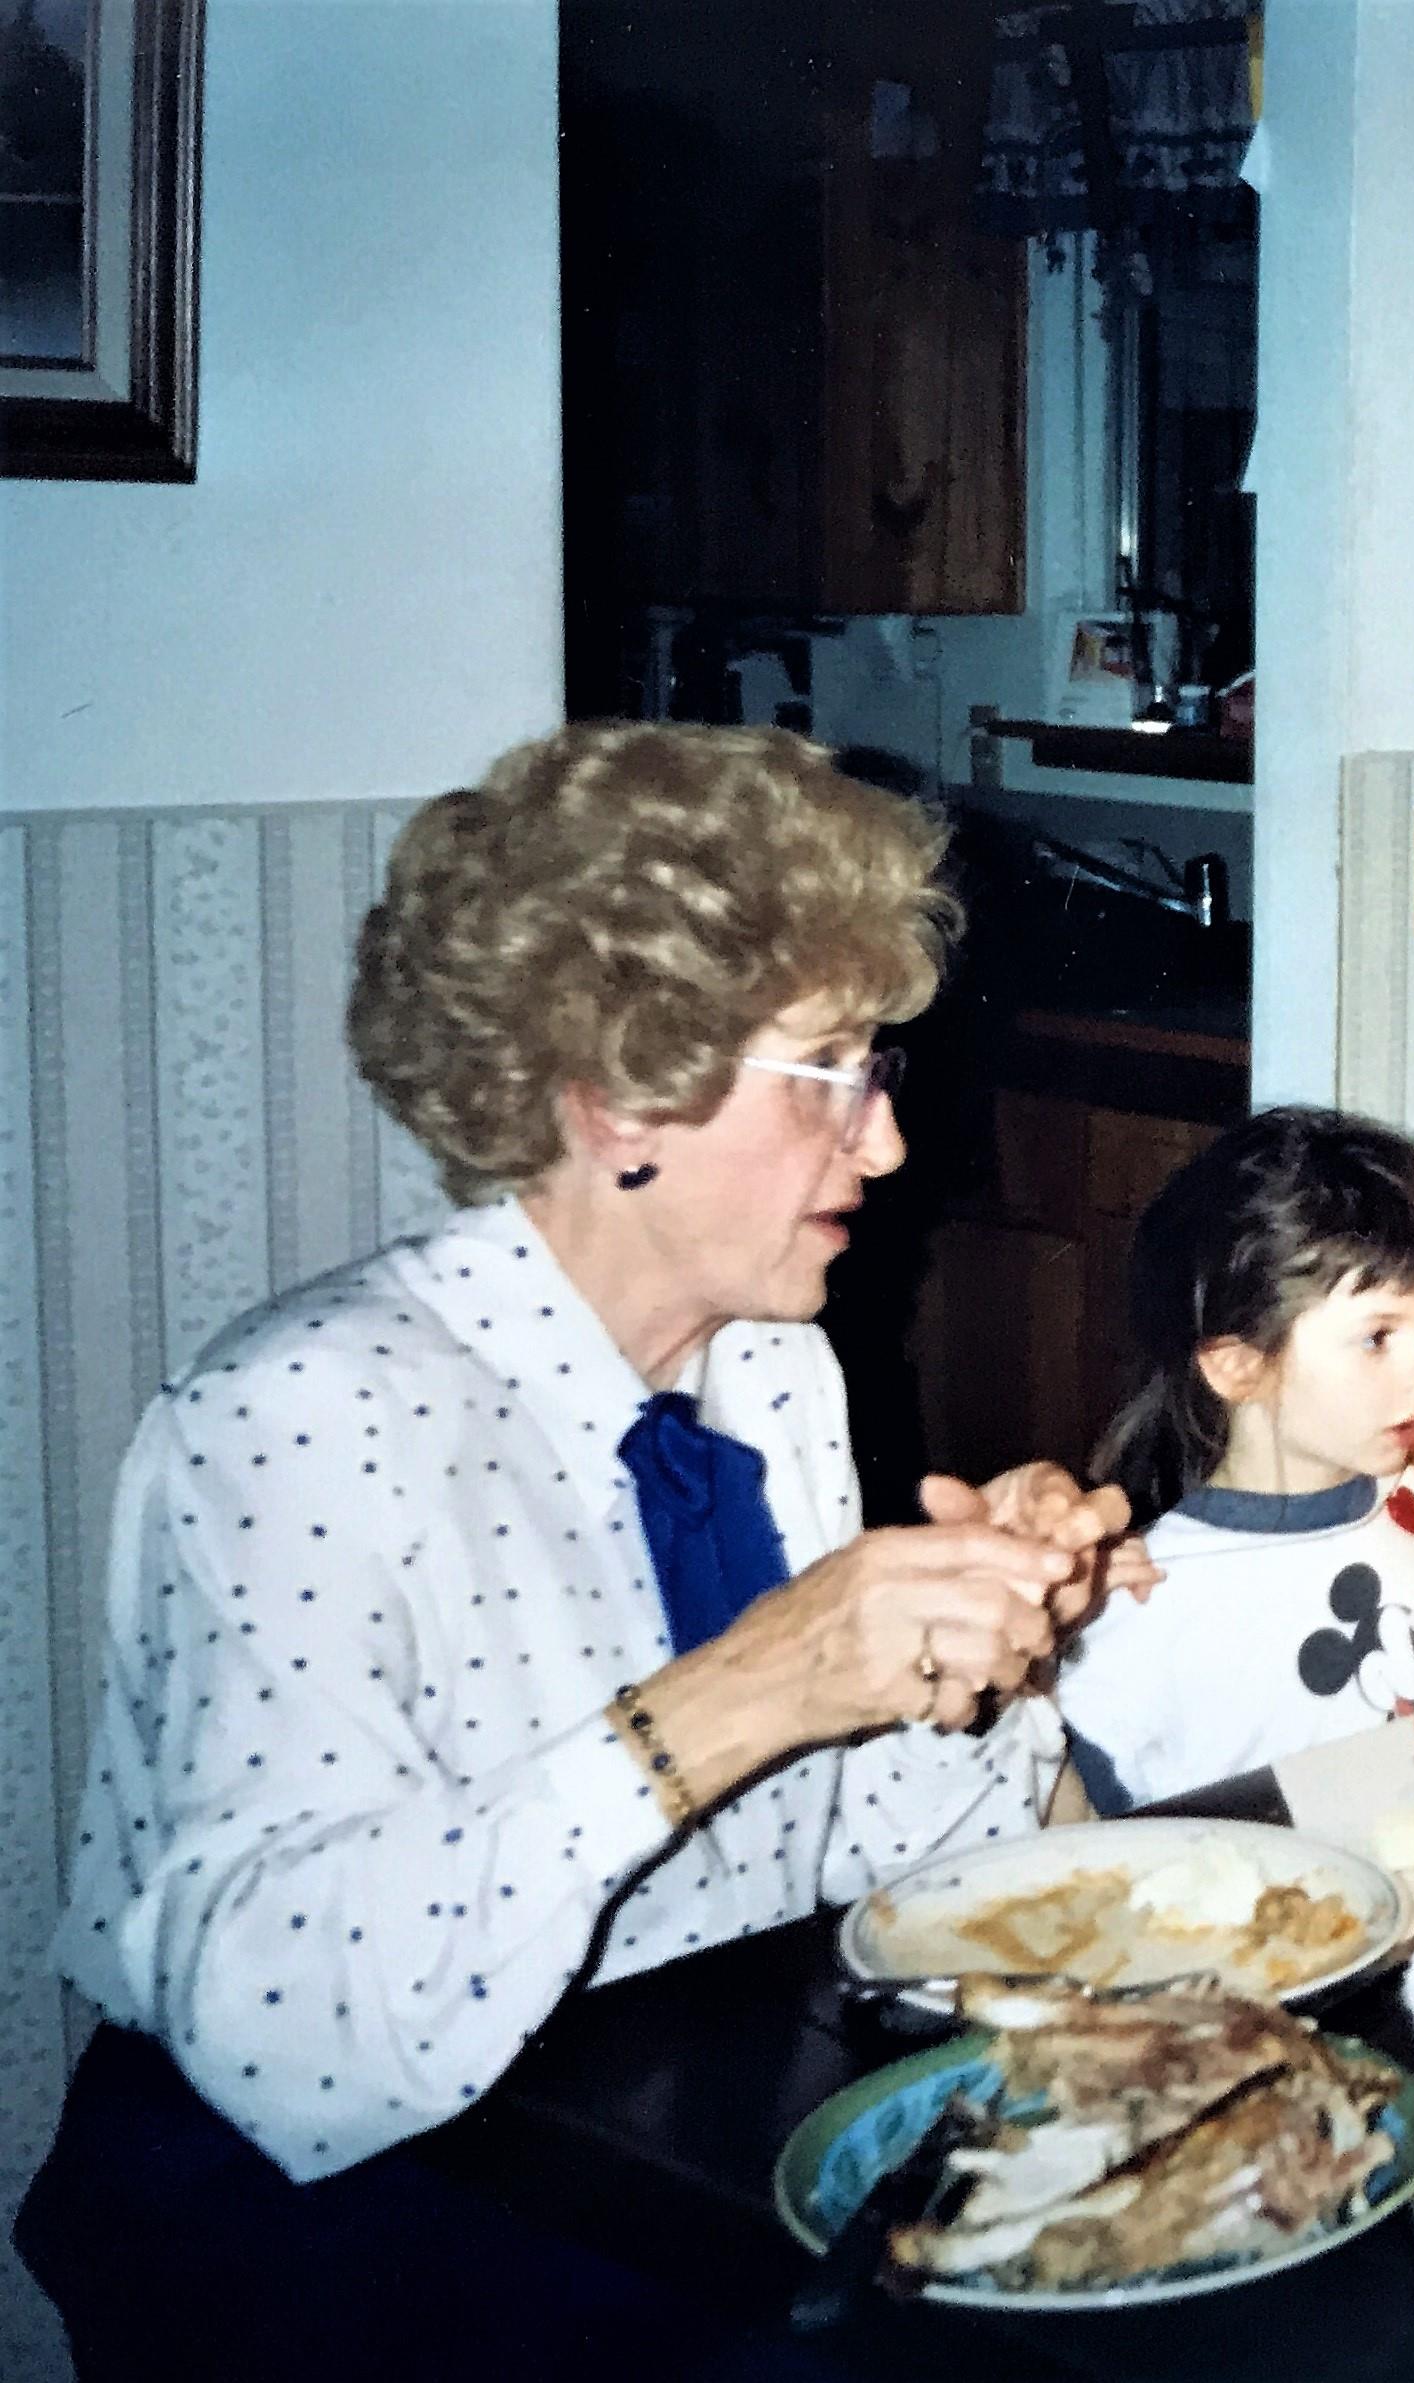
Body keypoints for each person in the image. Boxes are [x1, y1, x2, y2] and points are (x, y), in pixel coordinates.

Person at [17, 723, 1152, 2377]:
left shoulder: (766, 1363)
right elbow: (290, 2040)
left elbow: (832, 1854)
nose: (889, 1144)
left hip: (670, 2150)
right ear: (623, 1097)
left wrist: (969, 1649)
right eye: (833, 1072)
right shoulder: (298, 1417)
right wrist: (750, 1685)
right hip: (333, 2227)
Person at [1056, 1109, 1414, 1809]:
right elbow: (1081, 1827)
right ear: (1238, 1365)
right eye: (1378, 1336)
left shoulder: (1406, 1497)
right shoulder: (1145, 1590)